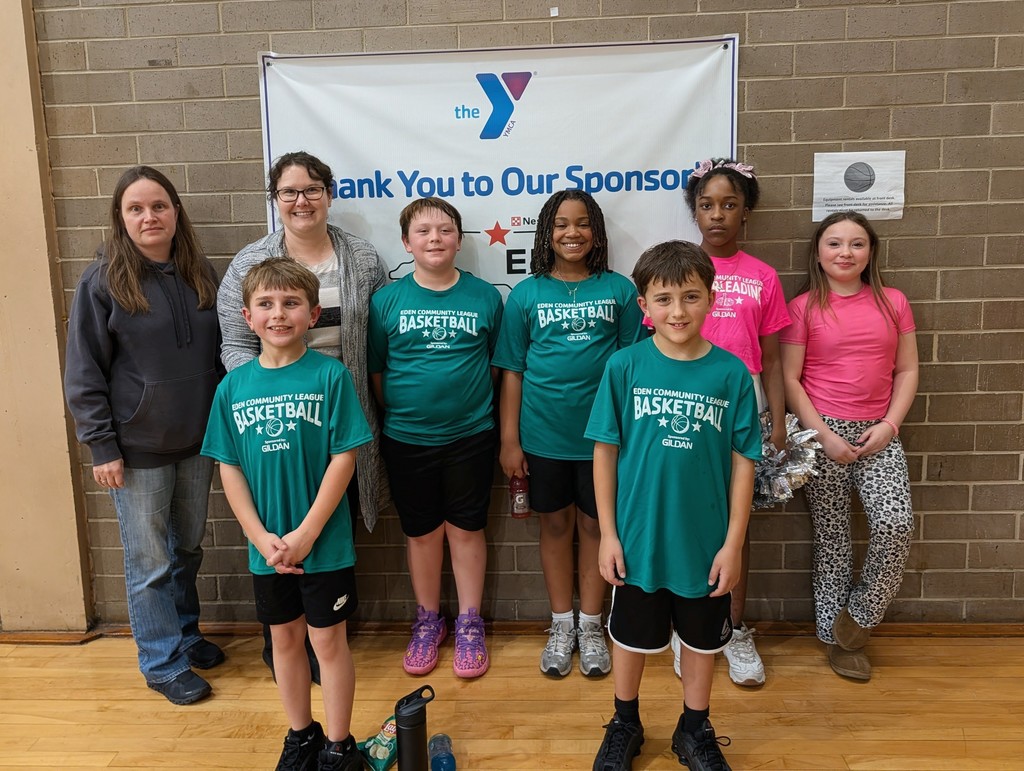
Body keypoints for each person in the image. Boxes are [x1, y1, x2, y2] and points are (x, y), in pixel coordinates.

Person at [587, 241, 761, 771]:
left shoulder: (732, 374)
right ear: (644, 305)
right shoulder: (624, 366)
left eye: (690, 296)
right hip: (639, 536)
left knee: (702, 640)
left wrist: (733, 543)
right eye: (663, 299)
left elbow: (744, 463)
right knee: (632, 636)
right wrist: (609, 534)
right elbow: (604, 452)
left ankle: (694, 729)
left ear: (711, 298)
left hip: (705, 542)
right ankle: (624, 722)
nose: (678, 311)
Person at [217, 150, 388, 679]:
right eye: (289, 191)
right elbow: (234, 343)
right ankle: (286, 643)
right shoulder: (249, 264)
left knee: (332, 514)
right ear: (275, 199)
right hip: (275, 416)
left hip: (339, 408)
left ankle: (327, 636)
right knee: (276, 515)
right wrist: (278, 390)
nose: (301, 200)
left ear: (328, 195)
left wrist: (318, 389)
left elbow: (378, 336)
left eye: (312, 189)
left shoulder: (361, 257)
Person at [64, 166, 225, 705]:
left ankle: (185, 633)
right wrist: (101, 444)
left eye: (158, 205)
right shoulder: (103, 280)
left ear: (176, 212)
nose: (149, 217)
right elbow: (83, 371)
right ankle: (161, 662)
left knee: (188, 550)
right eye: (136, 208)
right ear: (121, 218)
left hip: (198, 443)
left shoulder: (200, 272)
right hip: (137, 451)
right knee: (150, 561)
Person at [202, 258, 370, 771]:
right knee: (283, 640)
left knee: (328, 641)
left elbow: (345, 457)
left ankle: (339, 746)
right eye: (267, 305)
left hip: (324, 544)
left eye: (291, 303)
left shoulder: (331, 375)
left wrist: (306, 533)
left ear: (313, 313)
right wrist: (261, 538)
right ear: (248, 317)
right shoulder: (232, 388)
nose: (279, 314)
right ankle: (302, 736)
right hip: (267, 549)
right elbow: (229, 468)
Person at [493, 190, 641, 678]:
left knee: (597, 527)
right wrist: (510, 441)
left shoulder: (619, 290)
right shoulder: (527, 294)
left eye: (582, 224)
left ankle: (593, 625)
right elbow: (512, 371)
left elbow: (630, 370)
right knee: (554, 527)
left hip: (604, 441)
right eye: (560, 224)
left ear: (596, 232)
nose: (571, 233)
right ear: (545, 233)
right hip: (542, 438)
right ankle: (562, 624)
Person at [666, 158, 790, 687]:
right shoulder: (677, 271)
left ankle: (733, 629)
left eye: (729, 205)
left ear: (746, 212)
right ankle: (685, 629)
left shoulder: (762, 276)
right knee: (683, 517)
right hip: (681, 408)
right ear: (694, 211)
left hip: (743, 410)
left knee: (736, 525)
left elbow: (774, 357)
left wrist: (778, 420)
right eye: (706, 205)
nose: (717, 215)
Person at [368, 197, 503, 679]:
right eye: (423, 231)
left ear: (460, 240)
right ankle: (429, 620)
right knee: (421, 533)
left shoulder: (485, 297)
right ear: (406, 243)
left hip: (471, 435)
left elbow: (493, 367)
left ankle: (469, 622)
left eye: (445, 230)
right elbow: (378, 373)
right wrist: (409, 412)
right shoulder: (386, 301)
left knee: (467, 529)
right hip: (407, 438)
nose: (434, 238)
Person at [780, 211, 917, 682]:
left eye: (856, 244)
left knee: (895, 524)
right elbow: (791, 380)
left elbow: (907, 371)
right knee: (833, 538)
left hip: (879, 431)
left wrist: (891, 425)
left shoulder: (893, 301)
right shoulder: (803, 307)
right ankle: (832, 640)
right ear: (818, 252)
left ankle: (856, 624)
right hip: (823, 434)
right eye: (834, 243)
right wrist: (823, 436)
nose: (845, 253)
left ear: (870, 251)